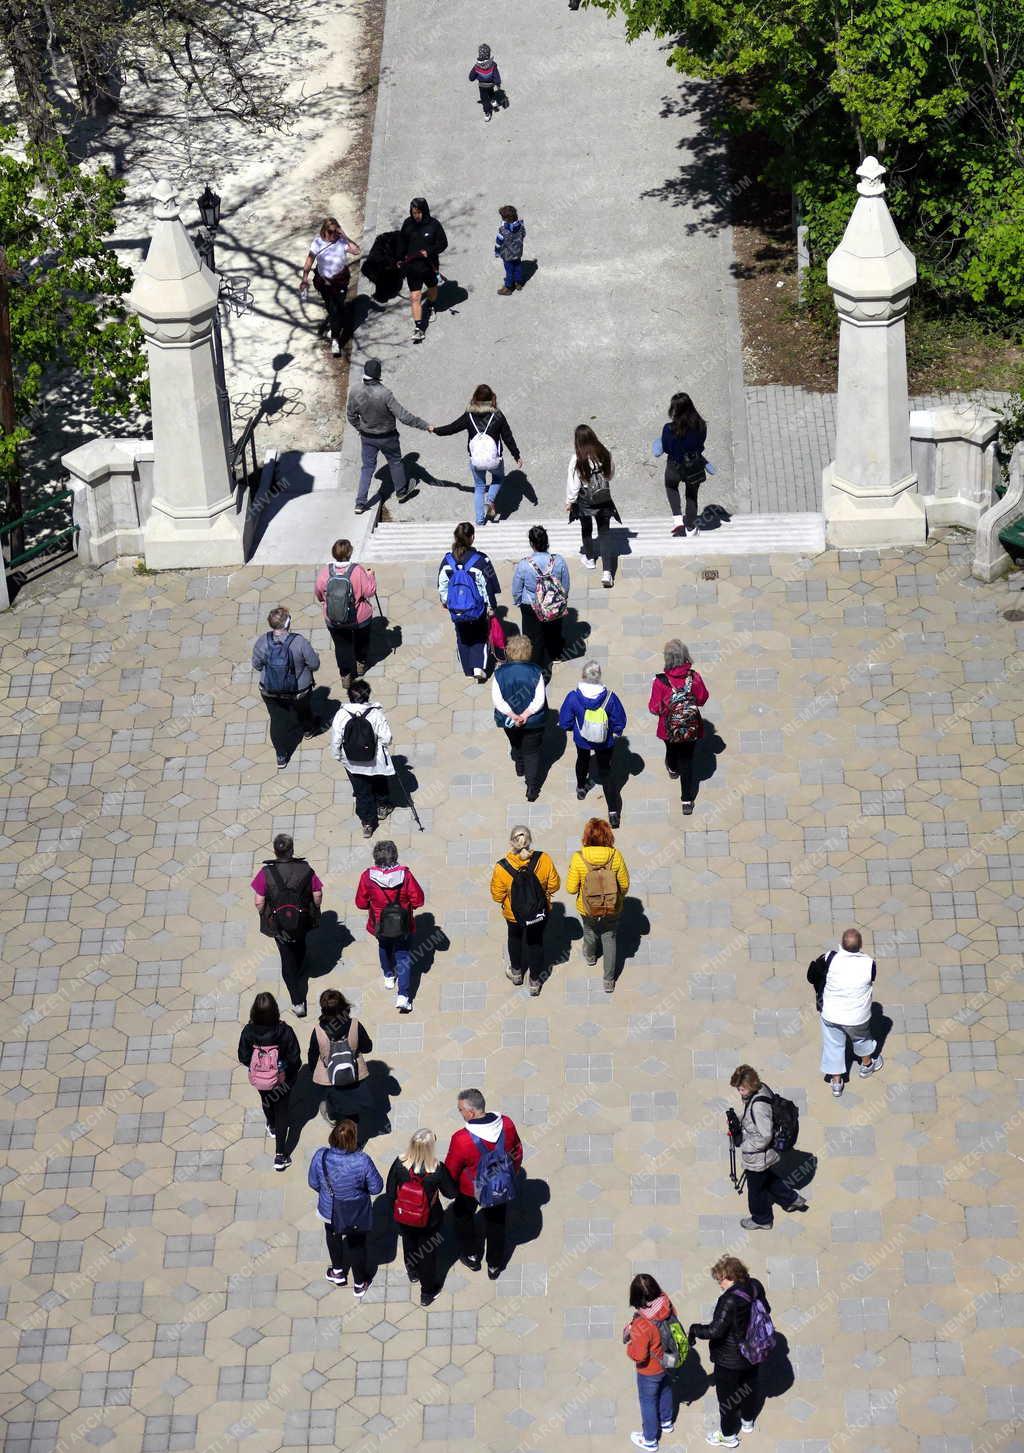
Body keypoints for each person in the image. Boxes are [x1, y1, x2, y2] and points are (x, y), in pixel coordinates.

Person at [688, 1256, 770, 1446]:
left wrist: (694, 1329)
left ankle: (728, 1436)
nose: (719, 1284)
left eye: (720, 1279)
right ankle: (748, 1421)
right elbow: (766, 1308)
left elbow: (715, 1330)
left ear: (730, 1276)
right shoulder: (755, 1285)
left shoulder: (728, 1300)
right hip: (754, 1352)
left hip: (729, 1360)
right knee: (749, 1388)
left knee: (727, 1400)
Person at [444, 1088, 523, 1279]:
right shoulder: (507, 1124)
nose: (459, 1112)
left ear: (471, 1113)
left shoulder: (461, 1139)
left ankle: (471, 1255)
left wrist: (449, 1189)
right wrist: (513, 1172)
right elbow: (517, 1150)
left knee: (463, 1216)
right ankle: (494, 1265)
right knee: (497, 1223)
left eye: (460, 1109)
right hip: (499, 1187)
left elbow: (451, 1169)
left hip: (470, 1190)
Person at [308, 1118, 383, 1296]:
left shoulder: (321, 1155)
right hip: (355, 1213)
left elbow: (313, 1182)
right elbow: (376, 1187)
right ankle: (359, 1283)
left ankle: (338, 1272)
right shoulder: (362, 1160)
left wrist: (327, 1192)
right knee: (356, 1245)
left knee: (332, 1237)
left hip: (329, 1209)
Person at [346, 358, 431, 515]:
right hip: (388, 437)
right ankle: (401, 491)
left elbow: (351, 416)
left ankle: (360, 503)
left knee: (367, 468)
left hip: (367, 438)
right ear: (378, 374)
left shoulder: (355, 391)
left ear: (365, 373)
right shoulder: (385, 393)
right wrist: (424, 425)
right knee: (395, 462)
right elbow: (404, 417)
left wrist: (361, 428)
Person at [252, 833, 324, 1016]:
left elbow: (259, 902)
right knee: (300, 943)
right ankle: (301, 965)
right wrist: (315, 910)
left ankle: (297, 1002)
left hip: (279, 925)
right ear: (292, 850)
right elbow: (317, 895)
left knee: (286, 958)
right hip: (303, 920)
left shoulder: (265, 873)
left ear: (275, 851)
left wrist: (265, 915)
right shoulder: (306, 869)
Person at [729, 1065, 809, 1229]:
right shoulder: (761, 1088)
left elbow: (765, 1136)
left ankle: (762, 1219)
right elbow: (750, 1115)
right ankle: (792, 1200)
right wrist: (738, 1119)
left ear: (750, 1085)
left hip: (758, 1156)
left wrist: (744, 1144)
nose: (740, 1092)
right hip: (767, 1155)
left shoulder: (759, 1107)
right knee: (768, 1179)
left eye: (742, 1089)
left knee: (756, 1191)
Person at [433, 384, 523, 527]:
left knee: (479, 487)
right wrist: (516, 455)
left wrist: (435, 430)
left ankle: (480, 521)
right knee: (498, 479)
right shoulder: (497, 415)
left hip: (476, 460)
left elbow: (451, 428)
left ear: (475, 398)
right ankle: (490, 500)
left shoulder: (469, 416)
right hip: (494, 460)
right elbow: (508, 437)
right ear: (491, 398)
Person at [808, 928, 882, 1096]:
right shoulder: (870, 963)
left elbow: (811, 975)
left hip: (831, 1014)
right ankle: (867, 1066)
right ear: (861, 945)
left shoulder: (829, 958)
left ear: (841, 943)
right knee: (862, 1039)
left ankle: (836, 1083)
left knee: (833, 1045)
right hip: (858, 1017)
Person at [386, 1129, 457, 1306]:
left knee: (409, 1243)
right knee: (427, 1253)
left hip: (404, 1217)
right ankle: (427, 1293)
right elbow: (451, 1193)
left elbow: (389, 1191)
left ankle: (412, 1272)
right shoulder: (437, 1169)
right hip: (429, 1220)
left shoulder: (399, 1163)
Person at [355, 840, 425, 1014]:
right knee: (403, 956)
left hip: (379, 924)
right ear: (395, 856)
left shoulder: (367, 877)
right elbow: (418, 900)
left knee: (384, 946)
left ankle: (388, 975)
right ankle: (403, 995)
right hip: (403, 924)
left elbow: (361, 903)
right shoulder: (405, 875)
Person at [489, 826, 560, 995]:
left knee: (514, 939)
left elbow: (497, 897)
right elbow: (554, 885)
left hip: (513, 915)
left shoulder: (501, 867)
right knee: (536, 942)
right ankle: (535, 982)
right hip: (538, 913)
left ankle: (516, 973)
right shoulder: (544, 860)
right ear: (530, 841)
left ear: (511, 843)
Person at [237, 992, 302, 1171]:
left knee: (266, 1100)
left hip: (260, 1080)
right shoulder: (284, 1031)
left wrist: (258, 1067)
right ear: (275, 1010)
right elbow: (295, 1058)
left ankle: (271, 1126)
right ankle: (280, 1155)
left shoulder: (248, 1032)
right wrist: (287, 1072)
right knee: (283, 1112)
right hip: (282, 1080)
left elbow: (243, 1056)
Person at [565, 818, 630, 993]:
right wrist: (617, 897)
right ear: (608, 836)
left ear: (586, 837)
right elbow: (624, 885)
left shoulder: (578, 858)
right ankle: (609, 980)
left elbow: (570, 889)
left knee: (589, 930)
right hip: (612, 907)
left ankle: (590, 956)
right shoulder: (615, 856)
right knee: (609, 937)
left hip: (587, 907)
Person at [252, 606, 321, 769]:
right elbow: (314, 664)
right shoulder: (299, 642)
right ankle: (308, 730)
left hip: (270, 691)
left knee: (276, 721)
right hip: (298, 690)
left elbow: (256, 664)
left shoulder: (262, 641)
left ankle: (281, 756)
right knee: (303, 709)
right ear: (288, 622)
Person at [558, 660, 626, 825]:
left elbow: (565, 722)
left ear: (583, 676)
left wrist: (576, 727)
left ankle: (581, 788)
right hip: (605, 741)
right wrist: (615, 732)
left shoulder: (573, 697)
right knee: (605, 771)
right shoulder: (610, 698)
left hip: (582, 740)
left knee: (582, 760)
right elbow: (619, 721)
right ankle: (613, 812)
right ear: (599, 677)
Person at [647, 639, 709, 816]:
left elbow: (654, 707)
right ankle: (687, 800)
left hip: (669, 729)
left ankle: (673, 769)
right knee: (687, 761)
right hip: (691, 727)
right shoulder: (694, 678)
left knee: (672, 750)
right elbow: (703, 698)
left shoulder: (660, 682)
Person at [330, 678, 396, 838]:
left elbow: (336, 740)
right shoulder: (375, 714)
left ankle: (367, 822)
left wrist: (338, 756)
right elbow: (387, 738)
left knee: (361, 791)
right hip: (374, 760)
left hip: (352, 762)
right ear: (367, 695)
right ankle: (382, 806)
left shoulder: (341, 714)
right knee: (379, 781)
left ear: (349, 696)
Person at [623, 1272, 682, 1450]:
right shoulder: (665, 1301)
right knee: (665, 1389)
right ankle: (666, 1421)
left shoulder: (642, 1325)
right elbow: (675, 1319)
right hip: (667, 1360)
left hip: (649, 1370)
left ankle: (649, 1440)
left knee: (648, 1401)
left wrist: (629, 1348)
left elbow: (639, 1356)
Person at [437, 522, 501, 681]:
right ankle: (479, 666)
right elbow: (488, 586)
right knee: (480, 635)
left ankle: (467, 669)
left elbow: (442, 584)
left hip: (457, 608)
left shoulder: (447, 561)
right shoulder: (481, 560)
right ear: (472, 538)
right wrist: (491, 606)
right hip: (477, 608)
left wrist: (446, 601)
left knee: (462, 636)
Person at [308, 988, 374, 1130]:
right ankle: (352, 1134)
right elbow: (368, 1047)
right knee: (353, 1113)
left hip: (330, 1080)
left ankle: (338, 1128)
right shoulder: (355, 1025)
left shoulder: (318, 1031)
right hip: (354, 1076)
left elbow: (312, 1056)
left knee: (334, 1109)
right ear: (344, 1007)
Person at [314, 539, 377, 687]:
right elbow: (370, 592)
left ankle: (346, 676)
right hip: (359, 618)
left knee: (341, 647)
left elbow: (318, 592)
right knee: (361, 641)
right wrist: (371, 576)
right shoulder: (357, 570)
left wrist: (325, 603)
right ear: (350, 553)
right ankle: (360, 665)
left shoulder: (325, 571)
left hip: (334, 619)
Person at [492, 635, 547, 801]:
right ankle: (531, 787)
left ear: (509, 652)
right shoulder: (536, 672)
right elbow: (539, 700)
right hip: (533, 722)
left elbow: (497, 700)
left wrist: (512, 715)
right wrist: (525, 715)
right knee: (532, 753)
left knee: (515, 742)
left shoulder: (499, 674)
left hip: (509, 722)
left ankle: (519, 764)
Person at [566, 424, 621, 587]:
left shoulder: (577, 458)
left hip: (585, 500)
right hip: (603, 498)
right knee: (604, 534)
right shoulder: (604, 454)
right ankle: (607, 572)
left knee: (586, 528)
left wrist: (570, 501)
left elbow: (573, 484)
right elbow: (610, 475)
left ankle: (590, 558)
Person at [511, 526, 569, 675]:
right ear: (547, 542)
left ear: (531, 543)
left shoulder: (524, 564)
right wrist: (562, 599)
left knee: (533, 637)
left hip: (531, 605)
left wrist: (518, 601)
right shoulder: (559, 561)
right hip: (553, 604)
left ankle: (536, 666)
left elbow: (517, 587)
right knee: (554, 630)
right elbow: (565, 584)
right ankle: (555, 654)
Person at [299, 217, 360, 357]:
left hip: (340, 281)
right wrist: (304, 279)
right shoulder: (317, 243)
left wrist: (344, 235)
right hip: (324, 283)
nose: (335, 234)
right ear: (325, 231)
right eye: (332, 232)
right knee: (333, 310)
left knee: (336, 309)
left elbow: (356, 251)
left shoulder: (341, 241)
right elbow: (309, 261)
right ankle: (335, 340)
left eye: (336, 231)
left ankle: (335, 328)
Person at [655, 392, 708, 537]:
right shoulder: (701, 426)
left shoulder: (668, 428)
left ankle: (678, 520)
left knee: (671, 486)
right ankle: (690, 527)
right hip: (693, 466)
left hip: (674, 466)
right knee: (691, 495)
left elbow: (665, 448)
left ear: (674, 409)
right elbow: (701, 444)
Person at [400, 197, 448, 343]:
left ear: (425, 211)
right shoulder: (408, 224)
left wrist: (430, 251)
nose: (416, 216)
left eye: (419, 212)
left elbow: (443, 243)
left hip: (429, 267)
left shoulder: (434, 225)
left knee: (432, 289)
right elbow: (401, 242)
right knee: (415, 297)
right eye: (414, 213)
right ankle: (419, 328)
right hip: (412, 268)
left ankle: (432, 305)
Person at [494, 204, 526, 292]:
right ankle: (518, 282)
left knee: (509, 270)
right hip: (518, 251)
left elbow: (498, 243)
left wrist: (497, 252)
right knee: (518, 265)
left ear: (505, 219)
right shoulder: (521, 225)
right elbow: (524, 234)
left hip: (507, 254)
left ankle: (508, 287)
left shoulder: (503, 230)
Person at [468, 43, 501, 121]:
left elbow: (471, 77)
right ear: (488, 54)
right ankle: (493, 101)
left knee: (485, 100)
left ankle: (487, 113)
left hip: (482, 86)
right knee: (491, 92)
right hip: (490, 84)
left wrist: (475, 77)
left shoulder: (476, 66)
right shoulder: (493, 64)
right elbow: (496, 75)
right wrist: (498, 83)